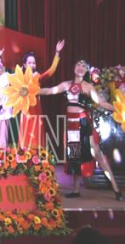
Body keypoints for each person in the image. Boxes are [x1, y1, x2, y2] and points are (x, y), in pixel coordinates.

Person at [39, 60, 122, 201]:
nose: (80, 67)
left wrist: (118, 108)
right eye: (78, 64)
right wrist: (30, 91)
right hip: (71, 123)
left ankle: (116, 189)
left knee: (97, 153)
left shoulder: (88, 87)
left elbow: (101, 103)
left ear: (86, 70)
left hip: (83, 122)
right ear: (74, 67)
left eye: (84, 66)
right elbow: (50, 91)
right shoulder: (66, 84)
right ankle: (76, 189)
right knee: (74, 155)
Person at [18, 39, 65, 148]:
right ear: (24, 64)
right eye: (29, 62)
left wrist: (57, 52)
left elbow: (52, 70)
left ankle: (36, 156)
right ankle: (24, 156)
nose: (32, 65)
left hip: (36, 109)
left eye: (34, 63)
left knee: (36, 133)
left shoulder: (38, 77)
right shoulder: (20, 77)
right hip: (25, 110)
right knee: (26, 134)